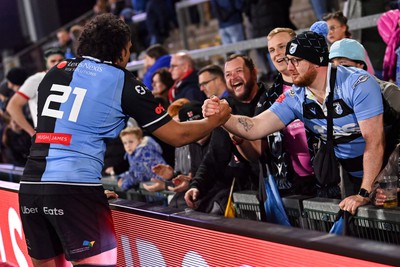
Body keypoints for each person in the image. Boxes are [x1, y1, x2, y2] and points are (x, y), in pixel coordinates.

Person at [18, 13, 230, 267]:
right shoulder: (121, 80)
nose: (129, 58)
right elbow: (178, 135)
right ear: (118, 50)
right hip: (74, 188)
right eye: (128, 50)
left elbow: (64, 135)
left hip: (31, 186)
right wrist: (215, 121)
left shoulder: (55, 71)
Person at [203, 31, 385, 215]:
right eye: (288, 60)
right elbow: (255, 127)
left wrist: (364, 192)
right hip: (351, 175)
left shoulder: (356, 83)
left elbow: (375, 142)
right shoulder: (296, 96)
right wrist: (224, 116)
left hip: (387, 170)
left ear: (316, 61)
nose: (289, 67)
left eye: (296, 60)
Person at [6, 47, 65, 137]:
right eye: (53, 61)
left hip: (68, 136)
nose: (57, 63)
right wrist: (32, 133)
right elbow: (12, 106)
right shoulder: (37, 79)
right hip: (48, 139)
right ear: (46, 63)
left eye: (60, 60)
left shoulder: (72, 79)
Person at [323, 11, 375, 75]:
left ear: (343, 27)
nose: (330, 32)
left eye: (333, 28)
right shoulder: (328, 51)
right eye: (326, 30)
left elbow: (370, 73)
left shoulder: (356, 47)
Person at [117, 126, 166, 191]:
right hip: (150, 189)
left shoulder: (145, 153)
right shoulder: (133, 153)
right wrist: (122, 177)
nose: (128, 145)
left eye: (131, 142)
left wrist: (124, 184)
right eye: (125, 143)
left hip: (158, 189)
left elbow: (140, 175)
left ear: (140, 140)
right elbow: (133, 171)